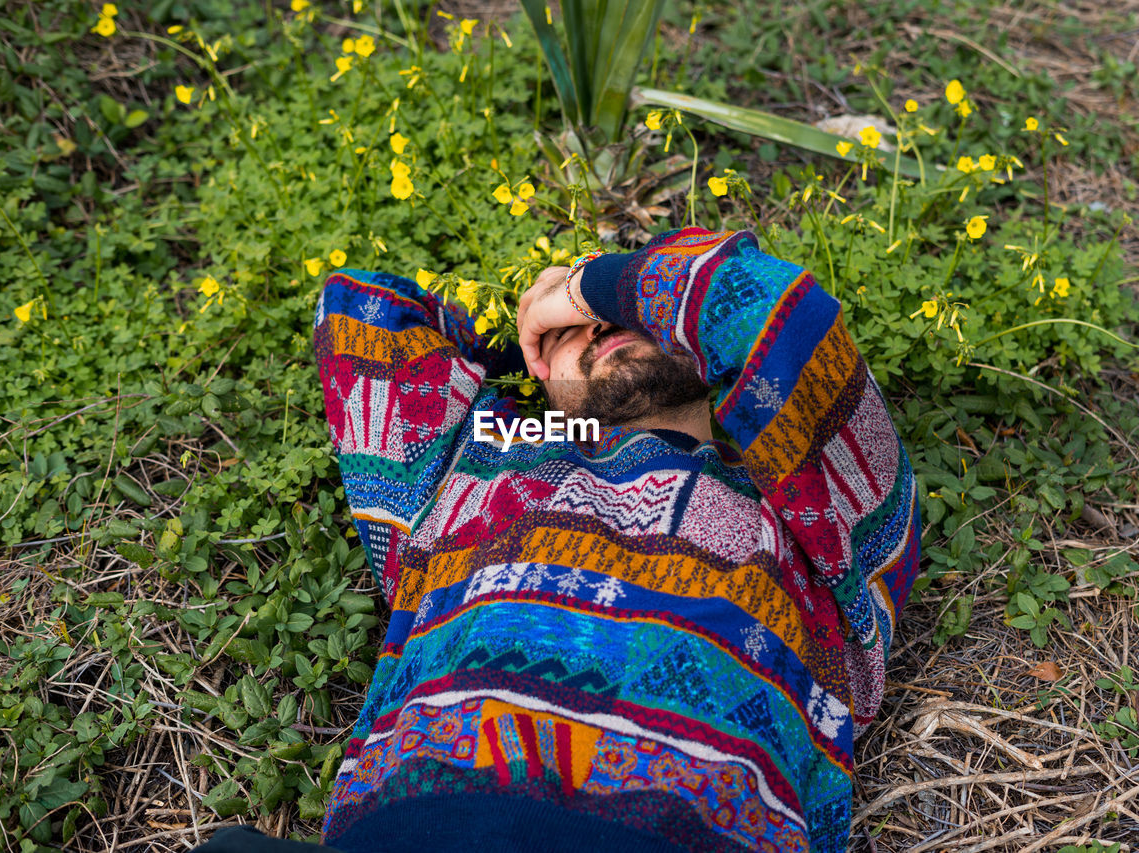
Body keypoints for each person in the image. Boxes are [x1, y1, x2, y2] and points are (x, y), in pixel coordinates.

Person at [193, 227, 921, 852]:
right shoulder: (476, 456)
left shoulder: (807, 499)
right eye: (578, 330)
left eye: (627, 310)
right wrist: (537, 363)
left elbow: (773, 307)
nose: (604, 327)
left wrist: (583, 294)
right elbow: (362, 309)